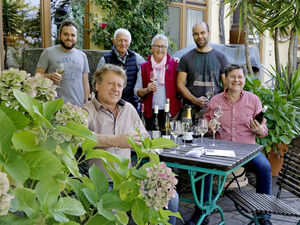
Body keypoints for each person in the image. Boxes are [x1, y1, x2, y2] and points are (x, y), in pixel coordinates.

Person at [82, 64, 178, 225]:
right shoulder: (86, 111)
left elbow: (146, 142)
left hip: (130, 181)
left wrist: (157, 172)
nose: (115, 89)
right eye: (110, 83)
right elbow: (81, 138)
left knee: (171, 197)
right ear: (97, 85)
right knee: (112, 219)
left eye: (119, 85)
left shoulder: (129, 109)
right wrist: (116, 140)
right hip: (102, 184)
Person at [203, 64, 272, 225]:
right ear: (225, 79)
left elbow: (263, 129)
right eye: (232, 76)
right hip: (220, 150)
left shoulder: (253, 100)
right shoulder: (215, 101)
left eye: (240, 77)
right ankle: (202, 211)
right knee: (203, 167)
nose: (236, 80)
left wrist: (259, 130)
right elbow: (206, 125)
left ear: (244, 79)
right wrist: (208, 128)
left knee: (265, 168)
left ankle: (263, 217)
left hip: (247, 151)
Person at [177, 21, 228, 122]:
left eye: (202, 33)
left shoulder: (221, 58)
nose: (199, 36)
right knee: (185, 137)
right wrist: (195, 100)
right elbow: (180, 85)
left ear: (208, 33)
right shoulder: (186, 58)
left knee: (213, 137)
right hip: (189, 109)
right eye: (196, 34)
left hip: (214, 110)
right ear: (193, 36)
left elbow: (227, 86)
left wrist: (217, 103)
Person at [36, 20, 90, 107]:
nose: (69, 38)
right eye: (66, 34)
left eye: (73, 35)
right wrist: (49, 76)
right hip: (54, 106)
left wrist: (87, 103)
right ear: (59, 35)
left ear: (76, 37)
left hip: (78, 107)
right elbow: (37, 76)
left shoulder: (82, 56)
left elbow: (85, 82)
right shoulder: (48, 52)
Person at [134, 34, 181, 130]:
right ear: (152, 48)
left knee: (168, 141)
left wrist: (177, 112)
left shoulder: (174, 65)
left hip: (169, 112)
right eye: (157, 46)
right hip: (149, 114)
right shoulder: (144, 67)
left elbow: (181, 91)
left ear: (167, 48)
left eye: (163, 46)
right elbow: (137, 91)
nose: (160, 49)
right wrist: (147, 89)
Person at [96, 28, 145, 110]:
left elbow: (148, 70)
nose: (123, 43)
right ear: (114, 41)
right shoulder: (105, 59)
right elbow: (97, 82)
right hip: (111, 105)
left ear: (130, 42)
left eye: (126, 41)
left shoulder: (136, 58)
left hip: (131, 105)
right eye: (120, 40)